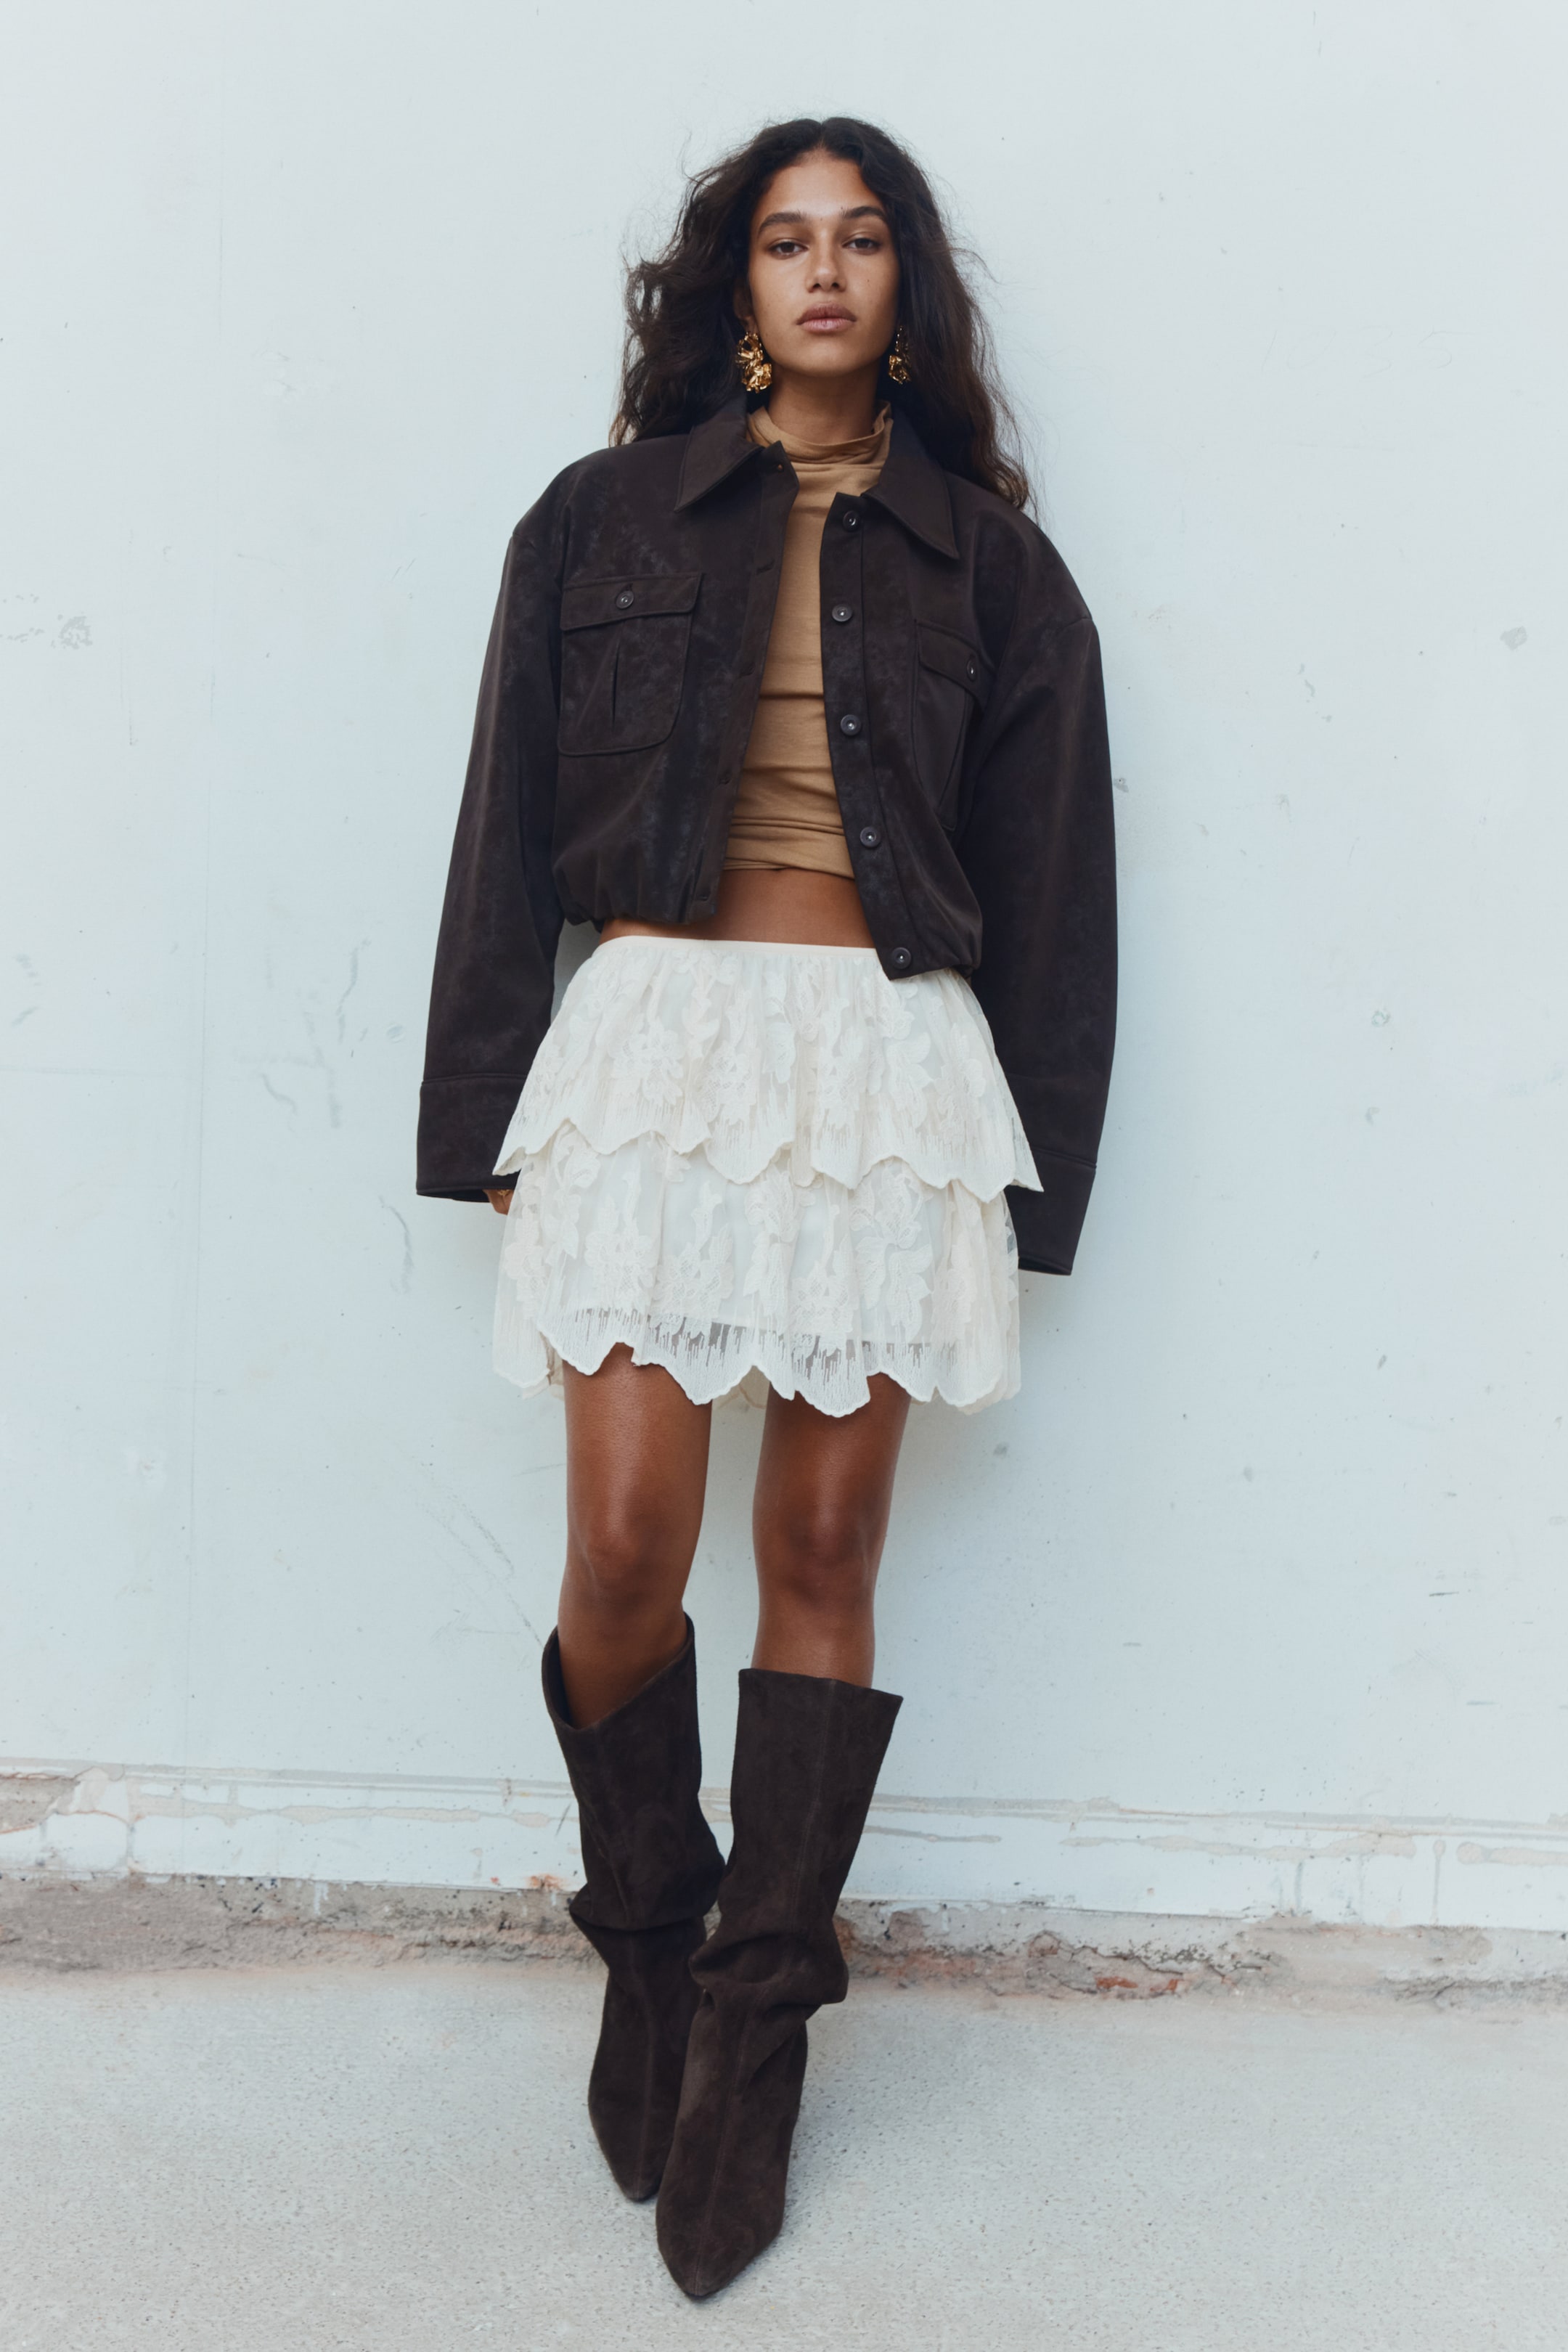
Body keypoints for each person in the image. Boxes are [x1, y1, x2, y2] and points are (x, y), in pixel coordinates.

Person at [419, 115, 1116, 2299]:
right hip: (652, 1055)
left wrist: (1035, 1193)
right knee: (627, 1546)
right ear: (734, 288)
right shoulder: (598, 519)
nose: (825, 270)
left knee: (822, 1551)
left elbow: (1061, 904)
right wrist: (485, 1111)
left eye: (864, 238)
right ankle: (652, 1927)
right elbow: (502, 824)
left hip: (886, 1081)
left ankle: (758, 2020)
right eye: (787, 240)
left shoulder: (998, 572)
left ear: (907, 291)